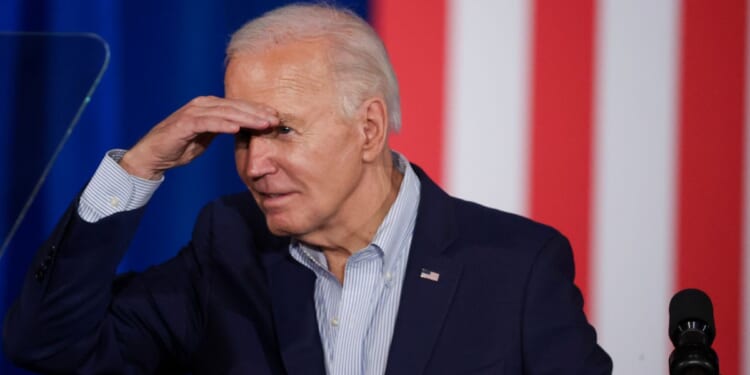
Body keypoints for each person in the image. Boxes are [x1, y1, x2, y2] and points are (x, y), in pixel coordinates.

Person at [4, 4, 612, 374]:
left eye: (283, 131)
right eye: (243, 136)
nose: (255, 163)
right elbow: (50, 347)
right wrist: (136, 170)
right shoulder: (229, 248)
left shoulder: (516, 266)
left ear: (368, 128)